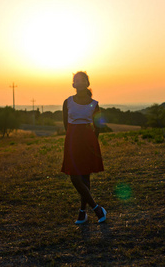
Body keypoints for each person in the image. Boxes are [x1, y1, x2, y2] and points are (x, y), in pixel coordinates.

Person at [61, 71, 107, 224]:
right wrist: (72, 137)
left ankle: (82, 212)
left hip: (88, 140)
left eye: (82, 80)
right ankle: (97, 208)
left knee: (85, 177)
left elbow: (98, 126)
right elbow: (65, 124)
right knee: (75, 176)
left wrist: (92, 141)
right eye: (76, 80)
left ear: (87, 83)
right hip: (72, 140)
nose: (79, 83)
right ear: (73, 84)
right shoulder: (67, 102)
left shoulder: (94, 104)